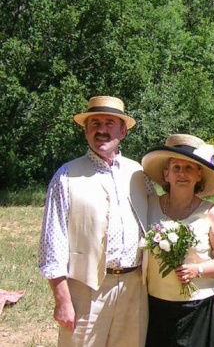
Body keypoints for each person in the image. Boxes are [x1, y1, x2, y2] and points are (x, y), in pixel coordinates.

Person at [38, 96, 152, 346]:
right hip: (85, 292)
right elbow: (52, 247)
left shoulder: (139, 174)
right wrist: (63, 301)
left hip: (134, 291)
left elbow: (155, 226)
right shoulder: (66, 176)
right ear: (86, 131)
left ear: (123, 131)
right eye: (95, 123)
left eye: (110, 123)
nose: (102, 130)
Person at [141, 134, 214, 347]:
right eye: (176, 168)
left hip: (200, 309)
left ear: (199, 175)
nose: (182, 174)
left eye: (189, 168)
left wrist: (198, 270)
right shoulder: (150, 206)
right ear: (166, 173)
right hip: (157, 307)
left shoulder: (210, 212)